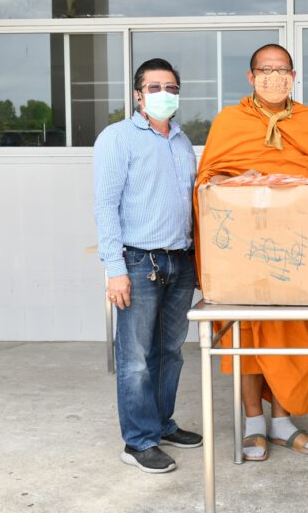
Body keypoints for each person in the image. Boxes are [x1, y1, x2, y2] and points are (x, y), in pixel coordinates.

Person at [193, 43, 308, 461]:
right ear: (250, 77)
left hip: (297, 252)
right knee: (247, 337)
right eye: (265, 70)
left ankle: (282, 422)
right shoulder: (230, 121)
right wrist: (251, 185)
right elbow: (208, 180)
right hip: (242, 250)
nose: (274, 77)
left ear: (293, 76)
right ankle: (253, 424)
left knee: (293, 338)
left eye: (282, 70)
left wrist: (297, 193)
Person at [94, 58, 201, 474]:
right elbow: (105, 206)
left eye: (170, 87)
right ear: (138, 95)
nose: (163, 94)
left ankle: (161, 423)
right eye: (153, 88)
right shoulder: (117, 138)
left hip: (180, 260)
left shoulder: (180, 140)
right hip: (138, 262)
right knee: (136, 357)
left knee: (170, 352)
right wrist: (113, 268)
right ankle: (137, 442)